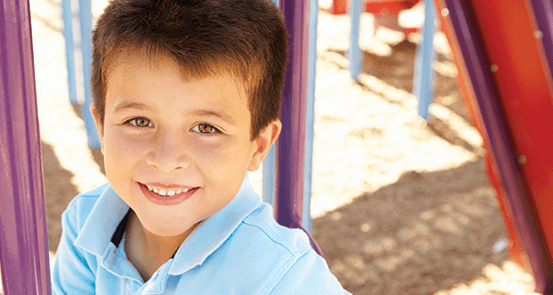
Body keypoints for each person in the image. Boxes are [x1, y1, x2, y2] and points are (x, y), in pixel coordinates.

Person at [52, 0, 350, 293]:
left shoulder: (281, 274)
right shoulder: (86, 223)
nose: (166, 160)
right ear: (102, 128)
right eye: (139, 121)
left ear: (258, 146)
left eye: (206, 128)